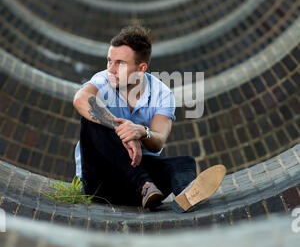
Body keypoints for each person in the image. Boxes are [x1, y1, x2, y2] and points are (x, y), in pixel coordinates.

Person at [73, 25, 225, 213]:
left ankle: (186, 195)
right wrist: (123, 133)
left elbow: (158, 141)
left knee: (184, 163)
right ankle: (143, 183)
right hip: (100, 184)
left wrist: (141, 132)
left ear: (141, 68)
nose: (110, 69)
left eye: (119, 63)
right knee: (92, 118)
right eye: (109, 61)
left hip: (140, 192)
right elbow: (80, 99)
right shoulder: (103, 80)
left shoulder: (162, 95)